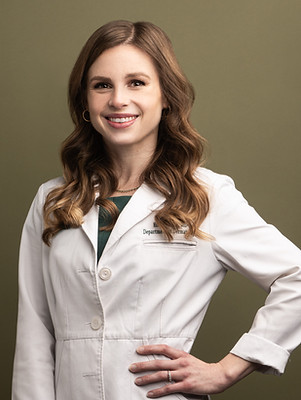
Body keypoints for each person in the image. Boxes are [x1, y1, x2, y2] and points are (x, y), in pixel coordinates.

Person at [12, 20, 301, 400]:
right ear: (85, 101)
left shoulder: (206, 195)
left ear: (166, 97)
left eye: (137, 82)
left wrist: (229, 368)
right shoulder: (52, 200)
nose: (118, 99)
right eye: (102, 85)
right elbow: (34, 334)